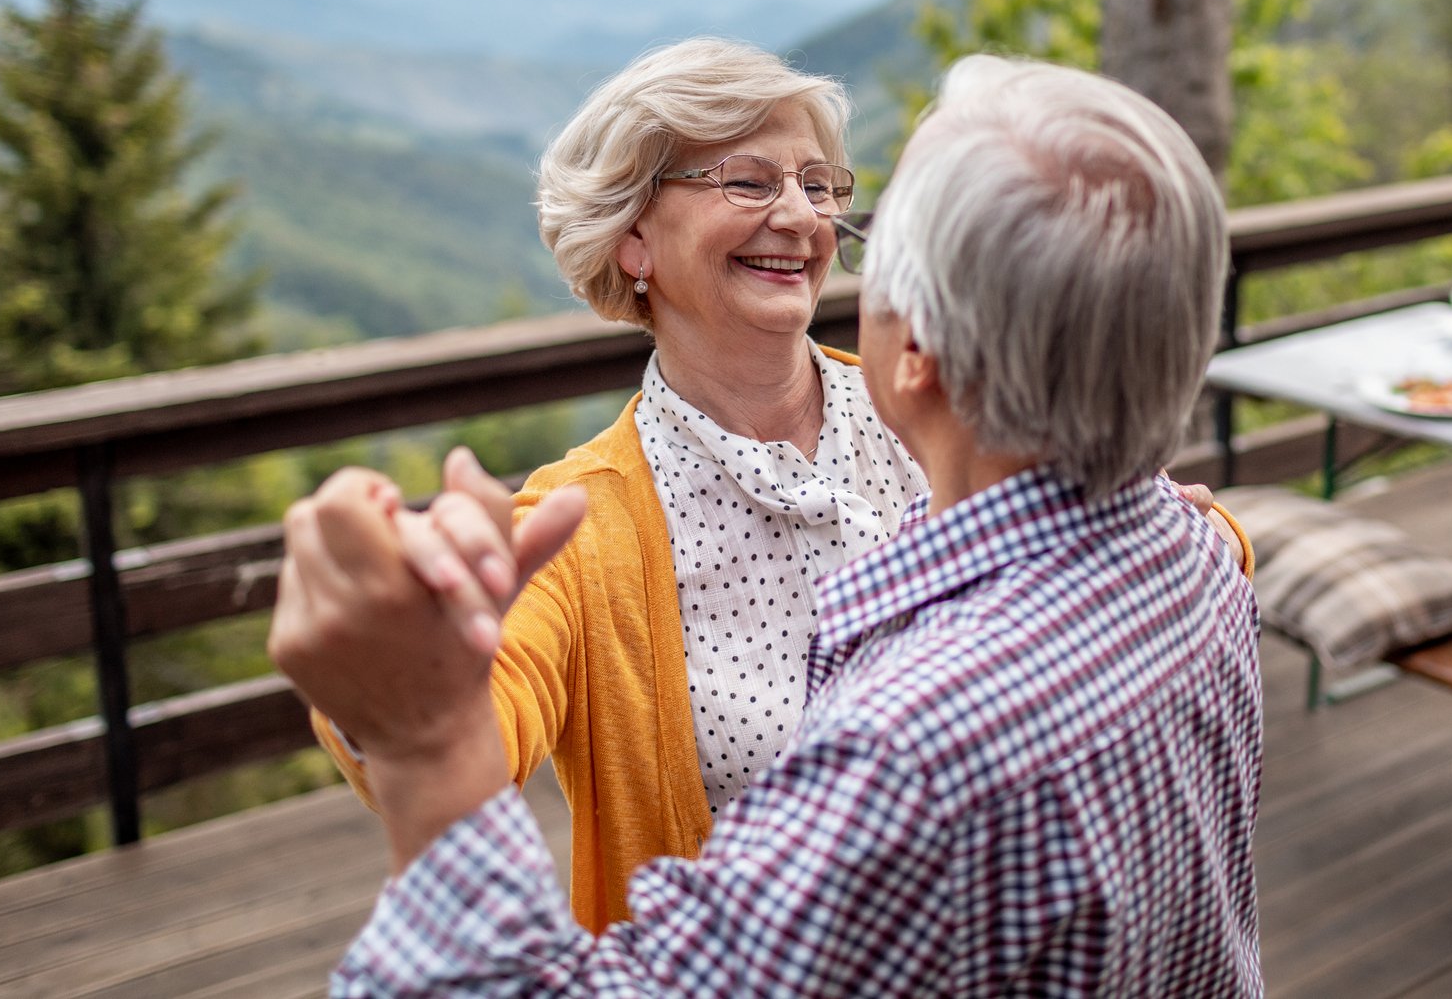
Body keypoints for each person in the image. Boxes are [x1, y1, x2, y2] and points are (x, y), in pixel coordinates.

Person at [271, 54, 1263, 995]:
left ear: (916, 342)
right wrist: (400, 689)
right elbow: (480, 704)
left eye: (822, 185)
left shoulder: (942, 429)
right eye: (746, 182)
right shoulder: (580, 520)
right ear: (633, 237)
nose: (804, 214)